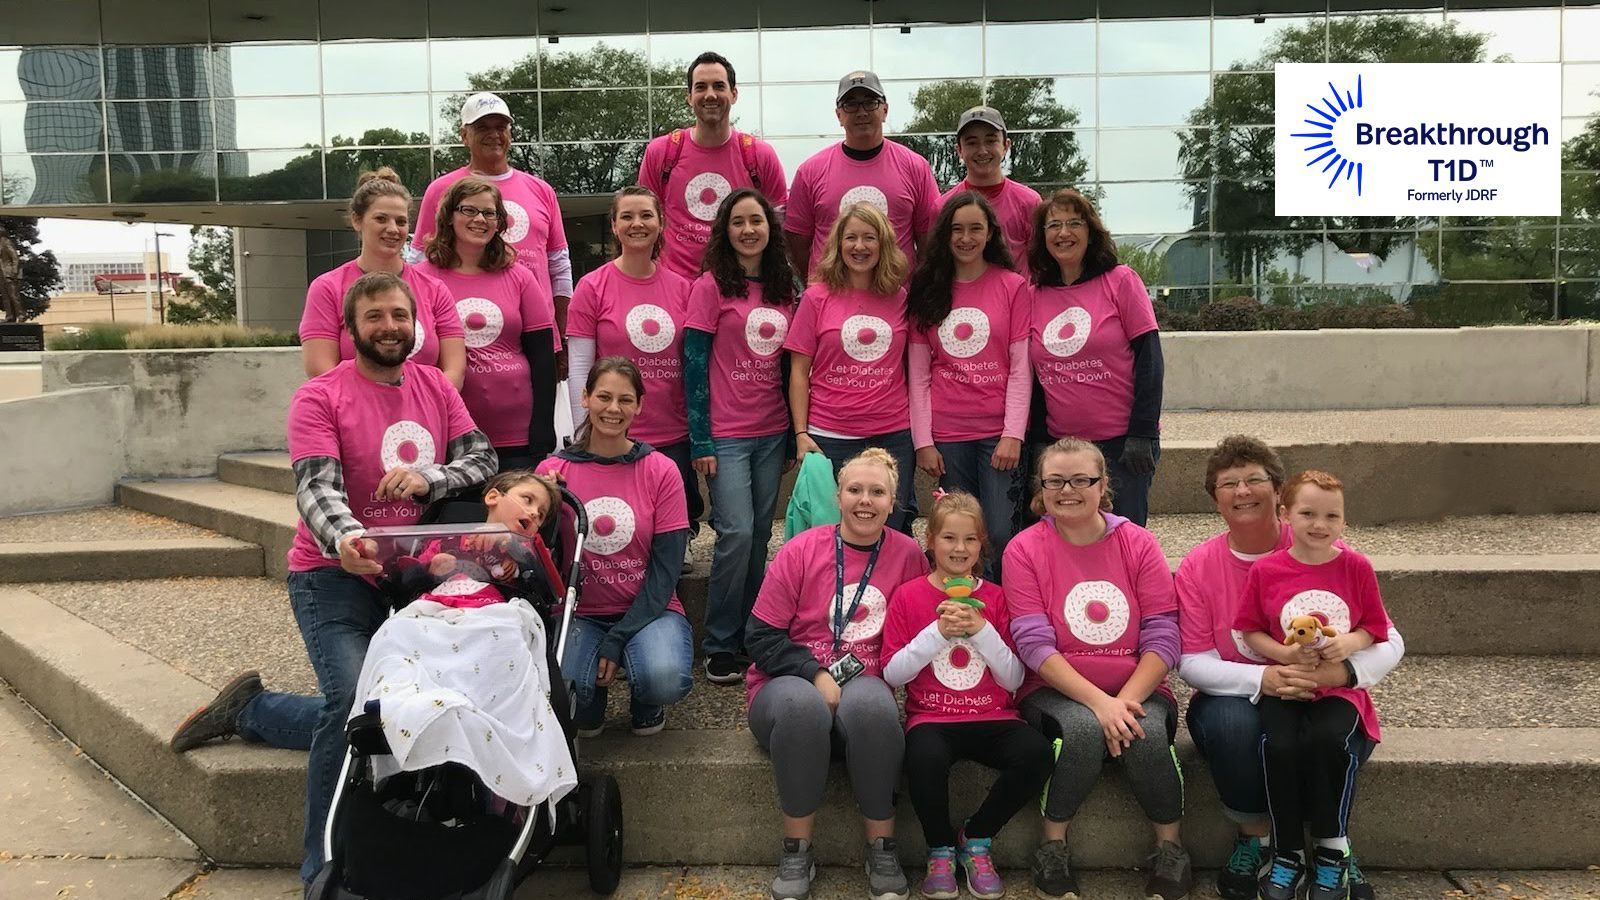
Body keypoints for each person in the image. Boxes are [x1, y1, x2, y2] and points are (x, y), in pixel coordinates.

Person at [168, 271, 498, 887]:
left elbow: (482, 459)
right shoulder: (321, 395)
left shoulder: (434, 386)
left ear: (416, 324)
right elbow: (318, 487)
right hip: (332, 576)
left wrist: (431, 477)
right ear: (350, 329)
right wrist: (347, 540)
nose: (390, 327)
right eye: (374, 317)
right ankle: (321, 865)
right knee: (349, 702)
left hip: (412, 578)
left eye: (399, 316)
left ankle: (255, 711)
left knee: (406, 703)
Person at [1176, 436, 1402, 900]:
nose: (1243, 491)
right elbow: (1191, 660)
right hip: (1241, 692)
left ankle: (1329, 847)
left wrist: (1340, 675)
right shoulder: (1200, 566)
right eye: (1228, 483)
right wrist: (1266, 677)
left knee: (1331, 732)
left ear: (1279, 494)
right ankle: (1258, 839)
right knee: (1237, 726)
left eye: (1255, 478)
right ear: (1214, 498)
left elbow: (1387, 637)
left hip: (1326, 690)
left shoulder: (1322, 543)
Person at [1003, 437, 1192, 900]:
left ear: (1103, 483)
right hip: (1053, 688)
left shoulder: (1138, 542)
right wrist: (1099, 705)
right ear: (1041, 487)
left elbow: (1163, 633)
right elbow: (1032, 644)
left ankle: (1171, 849)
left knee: (1142, 732)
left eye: (1081, 480)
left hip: (1137, 685)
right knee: (1084, 731)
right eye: (1055, 481)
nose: (1068, 490)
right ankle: (1052, 844)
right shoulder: (1024, 549)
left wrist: (1122, 701)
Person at [744, 448, 928, 900]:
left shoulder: (907, 555)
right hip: (786, 682)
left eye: (877, 492)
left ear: (893, 501)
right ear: (838, 495)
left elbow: (917, 635)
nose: (865, 500)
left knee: (874, 708)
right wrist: (814, 673)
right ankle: (796, 849)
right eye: (855, 490)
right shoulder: (802, 549)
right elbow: (761, 636)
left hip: (865, 678)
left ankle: (881, 845)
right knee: (803, 708)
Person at [881, 491, 1049, 900]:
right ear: (931, 541)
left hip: (994, 716)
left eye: (970, 540)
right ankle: (939, 849)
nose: (959, 549)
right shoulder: (908, 596)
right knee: (922, 759)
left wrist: (982, 630)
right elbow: (893, 672)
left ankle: (975, 839)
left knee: (1038, 754)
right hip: (933, 719)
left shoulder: (995, 597)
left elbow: (1012, 679)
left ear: (982, 544)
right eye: (949, 539)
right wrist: (936, 634)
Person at [1234, 470, 1393, 900]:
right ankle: (1287, 851)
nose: (1319, 524)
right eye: (1307, 513)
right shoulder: (1268, 570)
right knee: (1278, 745)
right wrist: (1284, 654)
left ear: (1343, 521)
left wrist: (1348, 643)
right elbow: (1249, 630)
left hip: (1338, 690)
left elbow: (1374, 628)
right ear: (1286, 515)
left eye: (1331, 516)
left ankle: (1331, 848)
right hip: (1287, 686)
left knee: (1329, 740)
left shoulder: (1356, 567)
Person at [537, 356, 694, 736]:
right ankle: (590, 701)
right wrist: (546, 503)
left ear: (639, 405)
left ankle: (647, 700)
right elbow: (537, 556)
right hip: (580, 611)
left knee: (663, 676)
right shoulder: (553, 472)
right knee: (572, 696)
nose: (613, 408)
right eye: (603, 397)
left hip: (649, 608)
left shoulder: (661, 470)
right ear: (585, 398)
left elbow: (667, 568)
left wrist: (618, 637)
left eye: (625, 400)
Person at [684, 188, 800, 684]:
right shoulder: (711, 286)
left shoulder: (784, 288)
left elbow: (795, 363)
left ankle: (758, 632)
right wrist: (701, 440)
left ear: (770, 230)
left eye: (757, 221)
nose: (749, 230)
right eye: (738, 222)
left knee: (758, 537)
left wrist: (797, 432)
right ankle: (720, 641)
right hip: (726, 434)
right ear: (725, 231)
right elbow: (692, 364)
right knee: (735, 534)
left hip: (773, 431)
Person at [566, 186, 702, 559]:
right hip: (614, 429)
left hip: (672, 429)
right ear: (614, 225)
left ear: (661, 224)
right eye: (627, 216)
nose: (637, 223)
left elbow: (694, 362)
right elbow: (580, 365)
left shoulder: (683, 289)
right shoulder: (591, 287)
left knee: (670, 539)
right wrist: (585, 429)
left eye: (646, 215)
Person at [906, 192, 1031, 580]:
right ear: (944, 235)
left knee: (997, 532)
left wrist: (1013, 433)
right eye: (957, 229)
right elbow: (919, 373)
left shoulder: (1012, 287)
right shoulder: (927, 290)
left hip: (998, 435)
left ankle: (997, 615)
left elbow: (1020, 368)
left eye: (975, 228)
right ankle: (960, 613)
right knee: (958, 535)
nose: (966, 238)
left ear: (991, 233)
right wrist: (923, 442)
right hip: (948, 435)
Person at [1026, 188, 1163, 526]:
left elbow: (1150, 359)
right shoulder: (1033, 295)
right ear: (1043, 237)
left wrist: (1142, 432)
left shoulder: (1121, 281)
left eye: (1074, 223)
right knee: (1070, 540)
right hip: (1063, 447)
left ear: (1091, 231)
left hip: (1122, 442)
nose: (1064, 233)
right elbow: (1033, 374)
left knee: (1123, 538)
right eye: (1054, 225)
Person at [411, 92, 572, 373]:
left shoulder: (541, 191)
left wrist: (561, 334)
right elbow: (416, 268)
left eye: (501, 127)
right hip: (460, 333)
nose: (494, 135)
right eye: (483, 127)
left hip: (533, 334)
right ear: (464, 135)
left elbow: (559, 268)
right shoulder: (440, 190)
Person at [786, 203, 916, 534]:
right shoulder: (816, 298)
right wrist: (801, 434)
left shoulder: (900, 298)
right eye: (851, 238)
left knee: (892, 530)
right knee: (832, 534)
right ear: (838, 244)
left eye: (869, 238)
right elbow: (799, 372)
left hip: (892, 433)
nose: (859, 247)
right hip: (830, 436)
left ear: (883, 244)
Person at [416, 176, 558, 469]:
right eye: (469, 210)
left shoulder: (519, 277)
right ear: (449, 216)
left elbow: (543, 358)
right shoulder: (421, 279)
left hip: (517, 435)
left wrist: (543, 425)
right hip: (450, 432)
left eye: (489, 213)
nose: (480, 219)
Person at [300, 168, 466, 387]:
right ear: (357, 221)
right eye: (381, 219)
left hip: (424, 416)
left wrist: (422, 405)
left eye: (401, 221)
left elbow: (454, 369)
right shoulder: (328, 288)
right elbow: (321, 370)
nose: (392, 229)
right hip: (356, 414)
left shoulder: (434, 289)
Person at [638, 51, 789, 281]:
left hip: (740, 290)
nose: (710, 95)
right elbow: (644, 223)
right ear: (689, 96)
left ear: (734, 94)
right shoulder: (661, 153)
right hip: (676, 292)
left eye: (719, 86)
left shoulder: (759, 156)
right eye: (701, 87)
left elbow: (778, 227)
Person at [784, 70, 940, 277]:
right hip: (831, 300)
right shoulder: (810, 172)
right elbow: (797, 244)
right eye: (851, 104)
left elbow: (929, 240)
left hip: (896, 302)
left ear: (884, 110)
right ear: (839, 115)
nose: (862, 112)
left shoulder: (915, 167)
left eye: (870, 102)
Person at [939, 107, 1042, 263]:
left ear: (1005, 146)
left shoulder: (1029, 202)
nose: (982, 151)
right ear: (959, 150)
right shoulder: (942, 207)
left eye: (990, 141)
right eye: (972, 142)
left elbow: (1041, 263)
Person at [0, 224, 24, 323]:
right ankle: (9, 316)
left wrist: (14, 271)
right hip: (1, 273)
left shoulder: (6, 242)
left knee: (13, 296)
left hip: (8, 273)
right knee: (5, 297)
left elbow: (15, 257)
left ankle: (21, 314)